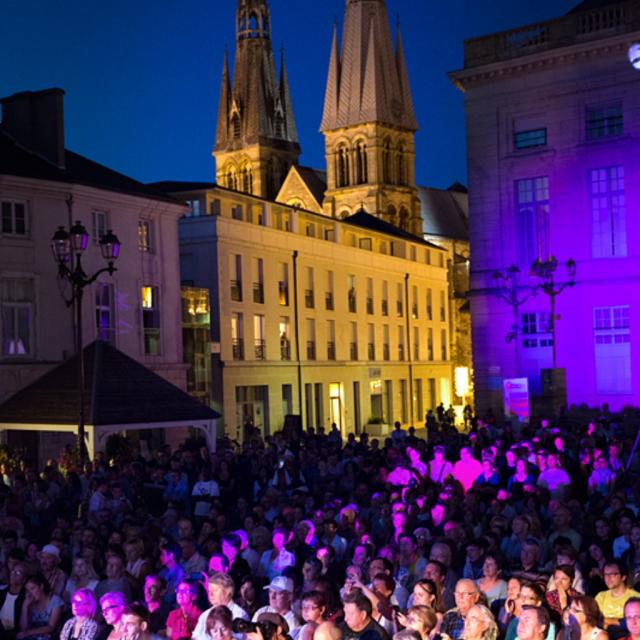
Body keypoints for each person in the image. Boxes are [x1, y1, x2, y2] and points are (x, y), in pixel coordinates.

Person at [192, 572, 249, 640]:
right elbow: (195, 637)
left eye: (214, 590)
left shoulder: (239, 615)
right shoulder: (205, 615)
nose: (211, 594)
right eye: (209, 591)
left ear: (227, 591)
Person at [16, 573, 63, 640]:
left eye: (32, 589)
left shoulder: (55, 601)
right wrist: (25, 607)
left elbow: (51, 627)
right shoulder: (29, 603)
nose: (30, 593)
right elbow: (24, 628)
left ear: (41, 586)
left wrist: (28, 633)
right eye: (27, 590)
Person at [595, 563, 640, 630]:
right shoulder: (601, 596)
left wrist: (608, 621)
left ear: (623, 577)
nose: (608, 578)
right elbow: (595, 619)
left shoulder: (636, 597)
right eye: (605, 574)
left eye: (612, 574)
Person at [0, 561, 28, 639]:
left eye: (18, 573)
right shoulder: (2, 593)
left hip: (12, 634)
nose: (13, 574)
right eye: (13, 571)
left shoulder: (26, 597)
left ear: (24, 579)